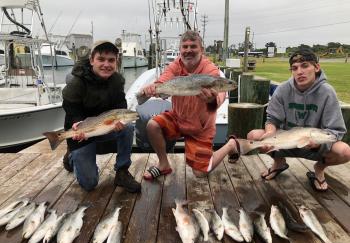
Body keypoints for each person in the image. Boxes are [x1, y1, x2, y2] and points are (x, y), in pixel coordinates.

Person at [141, 30, 240, 180]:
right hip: (178, 118)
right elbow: (164, 79)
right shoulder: (176, 65)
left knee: (200, 173)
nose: (188, 50)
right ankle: (163, 164)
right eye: (185, 47)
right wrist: (153, 88)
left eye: (193, 46)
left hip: (201, 127)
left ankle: (231, 145)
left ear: (202, 49)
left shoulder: (211, 70)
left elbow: (220, 96)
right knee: (152, 126)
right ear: (180, 50)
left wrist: (211, 100)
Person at [247, 48, 350, 191]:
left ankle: (319, 169)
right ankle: (278, 163)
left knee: (345, 151)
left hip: (314, 146)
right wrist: (269, 133)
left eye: (305, 66)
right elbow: (272, 119)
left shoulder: (327, 92)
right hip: (285, 141)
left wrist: (317, 145)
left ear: (316, 67)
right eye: (294, 68)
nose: (299, 72)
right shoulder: (283, 89)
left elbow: (336, 131)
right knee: (254, 136)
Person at [62, 40, 141, 193]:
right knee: (89, 184)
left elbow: (120, 106)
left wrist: (120, 121)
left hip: (104, 127)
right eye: (101, 59)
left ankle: (122, 171)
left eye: (111, 60)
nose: (106, 64)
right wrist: (76, 123)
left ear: (116, 62)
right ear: (92, 60)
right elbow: (70, 107)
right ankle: (71, 156)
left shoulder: (117, 81)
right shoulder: (77, 82)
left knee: (128, 127)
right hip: (81, 133)